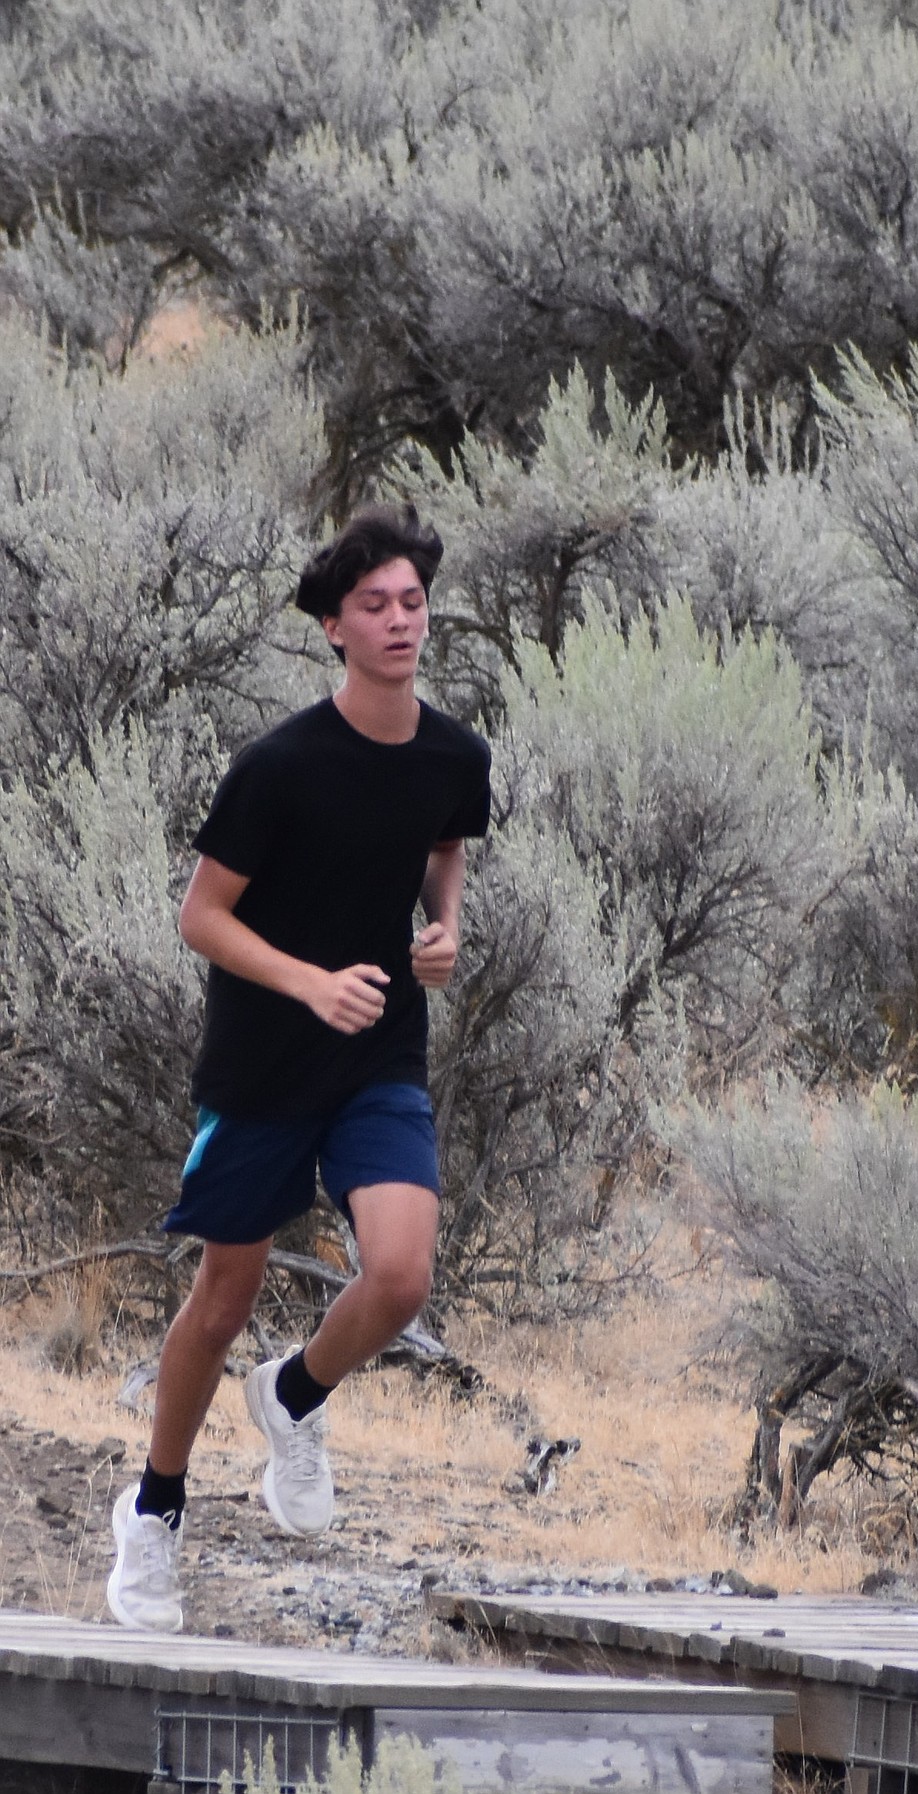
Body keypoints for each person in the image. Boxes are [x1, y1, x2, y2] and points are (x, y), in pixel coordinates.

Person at [106, 504, 490, 1633]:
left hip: (380, 1055)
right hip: (267, 1061)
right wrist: (310, 982)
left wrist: (444, 931)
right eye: (373, 605)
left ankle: (296, 1395)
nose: (398, 620)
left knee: (404, 1276)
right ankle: (155, 1512)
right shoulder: (276, 767)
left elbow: (442, 846)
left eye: (412, 601)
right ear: (333, 627)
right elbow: (202, 918)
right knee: (222, 1299)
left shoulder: (456, 755)